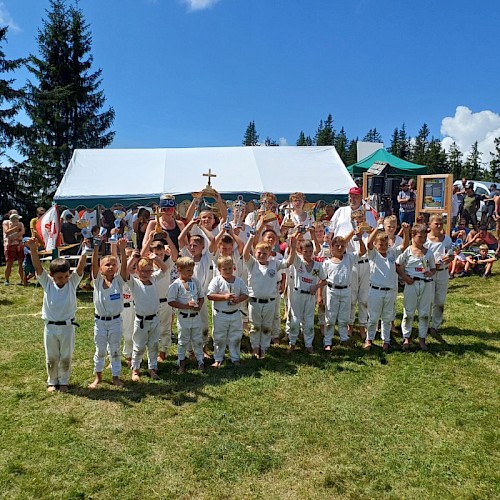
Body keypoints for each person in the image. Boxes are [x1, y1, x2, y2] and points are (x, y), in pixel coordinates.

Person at [25, 237, 87, 392]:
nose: (63, 280)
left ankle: (64, 381)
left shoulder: (72, 283)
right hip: (50, 328)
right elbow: (38, 267)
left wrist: (85, 251)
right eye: (60, 277)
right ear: (52, 275)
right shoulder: (47, 283)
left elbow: (80, 268)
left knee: (66, 356)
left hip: (67, 327)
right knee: (52, 356)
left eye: (66, 276)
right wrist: (33, 249)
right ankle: (52, 381)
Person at [243, 231, 297, 359]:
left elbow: (288, 262)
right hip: (255, 302)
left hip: (269, 301)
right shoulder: (253, 264)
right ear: (255, 253)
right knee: (255, 326)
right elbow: (245, 254)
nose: (261, 255)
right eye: (259, 253)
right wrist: (251, 239)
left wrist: (293, 248)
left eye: (264, 253)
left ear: (269, 254)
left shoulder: (274, 263)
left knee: (267, 325)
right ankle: (255, 347)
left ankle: (264, 347)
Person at [88, 238, 128, 389]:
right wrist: (96, 247)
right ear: (100, 268)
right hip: (100, 322)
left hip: (116, 322)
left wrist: (122, 250)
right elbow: (93, 264)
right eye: (107, 265)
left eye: (113, 264)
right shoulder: (97, 281)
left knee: (115, 349)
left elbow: (125, 267)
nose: (110, 267)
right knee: (100, 349)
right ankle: (98, 376)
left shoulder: (119, 281)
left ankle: (115, 376)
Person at [126, 248, 170, 381]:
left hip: (154, 319)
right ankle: (135, 369)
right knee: (138, 346)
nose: (146, 274)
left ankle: (152, 368)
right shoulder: (135, 282)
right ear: (137, 271)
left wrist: (155, 258)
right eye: (143, 271)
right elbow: (126, 270)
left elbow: (164, 269)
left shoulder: (154, 279)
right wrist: (133, 258)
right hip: (141, 321)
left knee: (153, 345)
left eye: (149, 271)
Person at [364, 223, 408, 351]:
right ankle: (369, 339)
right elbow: (368, 244)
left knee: (387, 318)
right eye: (380, 245)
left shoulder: (392, 253)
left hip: (390, 291)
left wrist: (405, 231)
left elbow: (404, 246)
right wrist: (377, 228)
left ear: (388, 244)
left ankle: (386, 340)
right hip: (375, 291)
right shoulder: (373, 255)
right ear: (375, 245)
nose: (383, 247)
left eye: (385, 244)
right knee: (373, 317)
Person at [323, 229, 365, 350]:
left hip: (346, 290)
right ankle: (328, 341)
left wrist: (360, 239)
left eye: (343, 245)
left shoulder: (349, 258)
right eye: (337, 246)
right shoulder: (327, 263)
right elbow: (323, 279)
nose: (340, 248)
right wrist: (320, 295)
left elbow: (362, 251)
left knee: (344, 316)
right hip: (332, 291)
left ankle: (344, 338)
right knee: (330, 317)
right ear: (332, 247)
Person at [396, 224, 436, 351]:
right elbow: (397, 265)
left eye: (425, 237)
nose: (423, 239)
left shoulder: (428, 252)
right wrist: (404, 277)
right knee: (408, 312)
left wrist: (431, 273)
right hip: (411, 283)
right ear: (413, 236)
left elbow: (433, 268)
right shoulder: (407, 251)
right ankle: (406, 337)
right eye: (420, 237)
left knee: (424, 313)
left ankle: (422, 338)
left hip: (426, 284)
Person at [140, 231, 178, 361]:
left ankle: (163, 351)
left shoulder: (167, 265)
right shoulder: (147, 268)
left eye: (161, 254)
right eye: (156, 254)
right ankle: (151, 351)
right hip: (151, 302)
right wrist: (149, 239)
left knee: (165, 328)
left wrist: (168, 238)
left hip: (165, 301)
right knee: (151, 328)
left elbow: (175, 254)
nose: (159, 256)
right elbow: (141, 255)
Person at [207, 256, 249, 367]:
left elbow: (246, 294)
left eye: (230, 268)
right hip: (221, 314)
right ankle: (218, 358)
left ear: (234, 268)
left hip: (235, 313)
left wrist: (238, 299)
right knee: (219, 337)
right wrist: (224, 297)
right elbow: (210, 295)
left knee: (235, 336)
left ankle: (235, 358)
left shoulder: (238, 281)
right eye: (225, 269)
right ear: (219, 269)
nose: (228, 271)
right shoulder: (216, 280)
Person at [287, 239, 326, 353]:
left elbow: (324, 280)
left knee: (308, 321)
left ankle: (309, 344)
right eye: (306, 251)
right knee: (294, 320)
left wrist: (316, 286)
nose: (308, 254)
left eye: (310, 251)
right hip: (298, 294)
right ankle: (292, 343)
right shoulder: (298, 262)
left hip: (310, 296)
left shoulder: (317, 266)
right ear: (301, 251)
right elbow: (292, 252)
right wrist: (294, 241)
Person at [167, 256, 205, 373]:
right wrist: (185, 306)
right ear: (179, 269)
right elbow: (171, 301)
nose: (191, 273)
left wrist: (198, 306)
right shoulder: (176, 285)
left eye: (192, 270)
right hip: (184, 317)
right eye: (188, 271)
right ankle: (181, 361)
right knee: (183, 340)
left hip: (195, 316)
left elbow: (201, 296)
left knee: (197, 339)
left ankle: (200, 360)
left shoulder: (195, 282)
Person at [425, 214, 453, 342]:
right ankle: (424, 324)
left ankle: (435, 325)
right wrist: (431, 265)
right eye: (436, 223)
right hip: (429, 273)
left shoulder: (447, 239)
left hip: (443, 272)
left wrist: (451, 258)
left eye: (441, 223)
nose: (439, 226)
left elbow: (451, 253)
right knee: (428, 300)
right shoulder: (425, 240)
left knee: (440, 300)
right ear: (430, 224)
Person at [328, 186, 377, 251]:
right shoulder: (340, 211)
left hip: (360, 252)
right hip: (341, 252)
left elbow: (374, 234)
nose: (352, 199)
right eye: (350, 197)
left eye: (355, 197)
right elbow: (329, 232)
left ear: (360, 198)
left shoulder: (368, 214)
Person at [2, 210, 25, 285]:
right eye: (14, 214)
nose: (16, 215)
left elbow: (22, 232)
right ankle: (6, 280)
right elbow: (7, 232)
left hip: (19, 244)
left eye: (17, 214)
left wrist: (14, 237)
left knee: (21, 263)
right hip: (10, 245)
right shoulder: (6, 222)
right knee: (9, 263)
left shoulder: (20, 223)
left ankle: (22, 279)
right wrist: (15, 229)